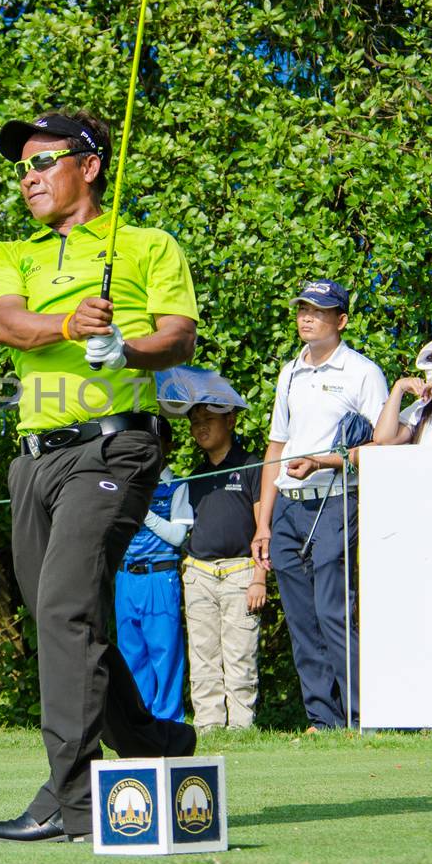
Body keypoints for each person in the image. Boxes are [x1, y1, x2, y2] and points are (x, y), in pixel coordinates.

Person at [0, 109, 199, 844]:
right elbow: (7, 322)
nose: (29, 177)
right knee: (66, 619)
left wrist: (127, 351)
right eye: (23, 169)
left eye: (43, 163)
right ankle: (154, 745)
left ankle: (70, 805)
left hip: (115, 450)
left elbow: (177, 334)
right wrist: (68, 326)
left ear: (89, 165)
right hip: (35, 461)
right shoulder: (13, 253)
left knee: (66, 607)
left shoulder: (145, 244)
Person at [250, 279, 387, 731]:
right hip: (288, 507)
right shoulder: (290, 372)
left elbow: (381, 448)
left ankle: (361, 716)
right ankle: (321, 719)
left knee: (334, 612)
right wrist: (263, 523)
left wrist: (325, 461)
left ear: (341, 320)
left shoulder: (362, 372)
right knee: (302, 620)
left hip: (335, 501)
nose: (306, 317)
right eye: (302, 309)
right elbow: (276, 448)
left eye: (318, 311)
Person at [182, 404, 263, 730]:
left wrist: (260, 576)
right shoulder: (194, 475)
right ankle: (209, 727)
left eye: (208, 420)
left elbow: (263, 528)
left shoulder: (252, 465)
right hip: (199, 572)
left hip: (240, 571)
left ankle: (241, 727)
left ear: (229, 420)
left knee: (240, 656)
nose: (200, 427)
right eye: (195, 422)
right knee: (202, 658)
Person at [114, 427, 191, 724]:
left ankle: (169, 720)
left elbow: (177, 535)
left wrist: (142, 511)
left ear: (167, 446)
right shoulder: (123, 484)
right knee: (131, 652)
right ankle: (139, 720)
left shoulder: (178, 485)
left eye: (154, 443)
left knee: (165, 651)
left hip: (159, 575)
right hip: (126, 575)